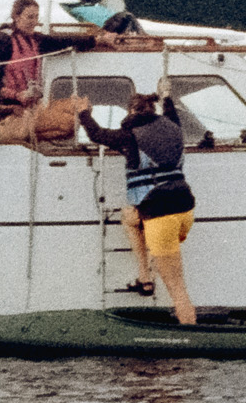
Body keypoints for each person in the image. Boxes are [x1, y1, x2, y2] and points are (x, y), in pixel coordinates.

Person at [82, 92, 197, 325]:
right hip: (185, 210)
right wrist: (167, 98)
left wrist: (83, 113)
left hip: (160, 216)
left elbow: (96, 134)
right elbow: (172, 114)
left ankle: (191, 336)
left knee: (177, 289)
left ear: (131, 111)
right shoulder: (174, 127)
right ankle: (145, 277)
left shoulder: (129, 136)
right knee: (129, 217)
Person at [0, 0, 99, 117]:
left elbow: (63, 41)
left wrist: (96, 40)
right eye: (30, 17)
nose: (34, 22)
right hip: (9, 112)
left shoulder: (36, 40)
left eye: (36, 17)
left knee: (78, 107)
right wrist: (17, 96)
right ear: (16, 17)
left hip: (32, 109)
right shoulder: (1, 41)